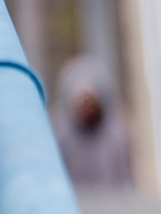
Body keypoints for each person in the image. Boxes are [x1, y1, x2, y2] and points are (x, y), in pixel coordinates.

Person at [53, 55, 134, 191]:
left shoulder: (116, 139)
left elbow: (126, 182)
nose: (86, 109)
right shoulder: (62, 139)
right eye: (81, 103)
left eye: (90, 102)